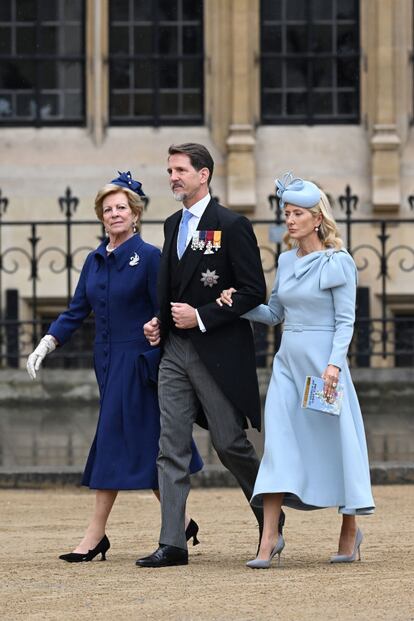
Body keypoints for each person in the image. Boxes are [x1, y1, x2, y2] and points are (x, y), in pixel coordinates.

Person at [26, 171, 203, 563]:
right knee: (148, 445)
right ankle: (183, 521)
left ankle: (95, 536)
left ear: (135, 213)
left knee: (112, 443)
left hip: (141, 363)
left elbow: (169, 307)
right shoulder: (94, 259)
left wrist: (159, 325)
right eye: (107, 209)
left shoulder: (150, 257)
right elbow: (75, 312)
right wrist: (47, 342)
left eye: (121, 207)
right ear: (100, 216)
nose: (114, 214)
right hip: (106, 363)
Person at [136, 143, 285, 569]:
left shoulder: (232, 224)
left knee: (229, 442)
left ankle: (270, 522)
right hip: (173, 352)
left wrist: (201, 316)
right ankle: (173, 543)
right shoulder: (169, 225)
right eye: (169, 170)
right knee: (170, 447)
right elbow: (171, 289)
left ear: (204, 175)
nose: (173, 177)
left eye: (181, 170)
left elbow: (255, 290)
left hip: (217, 350)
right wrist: (159, 323)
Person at [217, 173, 375, 568]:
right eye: (286, 213)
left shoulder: (339, 261)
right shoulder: (286, 261)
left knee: (337, 442)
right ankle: (268, 540)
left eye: (297, 213)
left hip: (324, 367)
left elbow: (345, 321)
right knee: (279, 448)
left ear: (317, 218)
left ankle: (350, 531)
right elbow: (274, 314)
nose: (289, 220)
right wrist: (236, 302)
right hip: (288, 365)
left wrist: (335, 365)